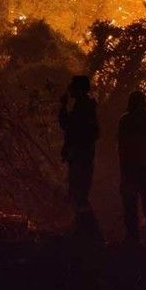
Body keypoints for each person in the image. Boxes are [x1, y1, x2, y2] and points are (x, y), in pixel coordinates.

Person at [117, 90, 146, 244]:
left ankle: (134, 238)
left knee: (132, 205)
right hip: (142, 170)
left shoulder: (125, 121)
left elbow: (120, 147)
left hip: (131, 170)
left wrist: (124, 166)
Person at [58, 75, 98, 221]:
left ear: (79, 89)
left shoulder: (82, 107)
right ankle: (84, 227)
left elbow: (67, 125)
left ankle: (86, 228)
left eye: (73, 86)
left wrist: (62, 106)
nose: (70, 89)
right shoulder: (86, 106)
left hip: (80, 156)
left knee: (78, 192)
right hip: (83, 156)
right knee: (79, 192)